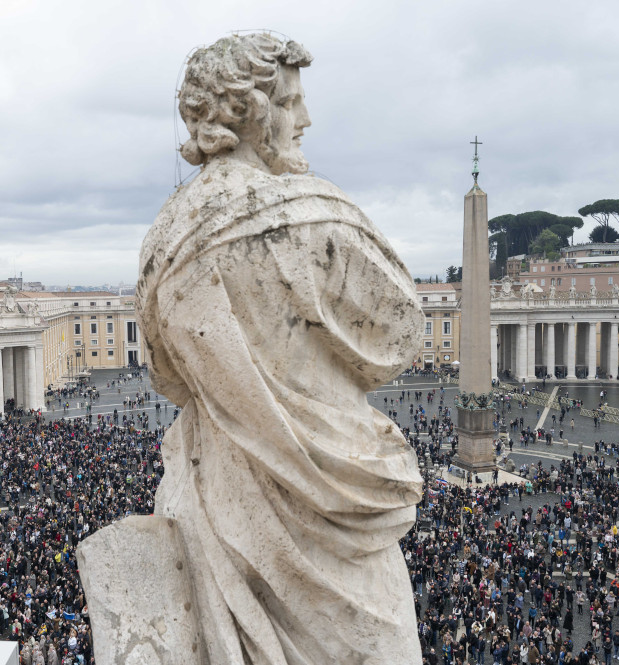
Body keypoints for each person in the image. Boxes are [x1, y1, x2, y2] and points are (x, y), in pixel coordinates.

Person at [131, 32, 423, 664]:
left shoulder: (163, 240)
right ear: (252, 112)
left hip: (217, 506)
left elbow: (167, 376)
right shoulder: (315, 215)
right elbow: (398, 336)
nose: (306, 119)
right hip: (336, 526)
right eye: (292, 102)